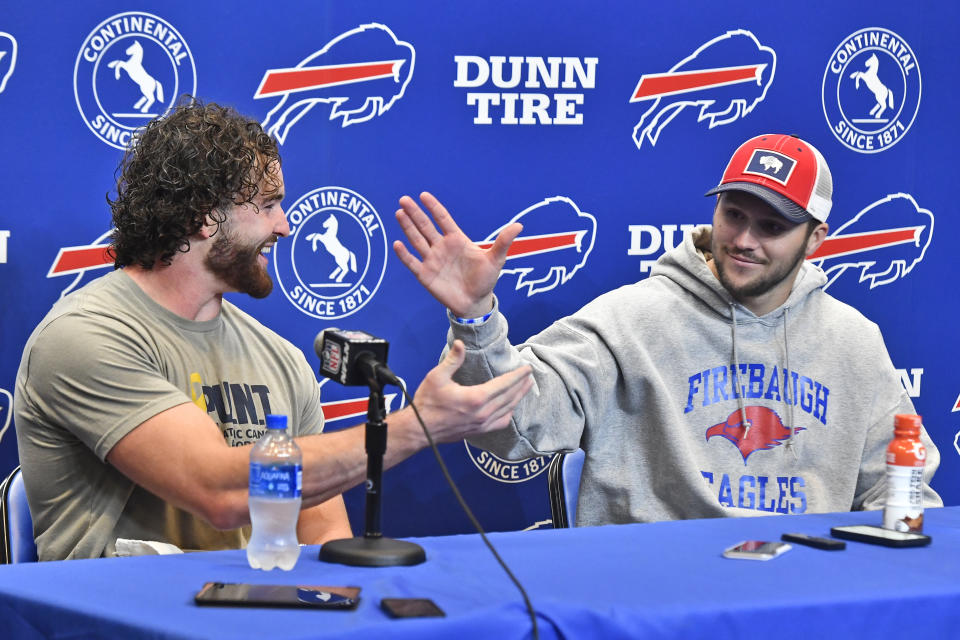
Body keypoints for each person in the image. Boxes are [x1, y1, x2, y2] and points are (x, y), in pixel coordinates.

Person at [13, 98, 533, 561]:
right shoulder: (85, 337)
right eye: (265, 205)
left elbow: (322, 537)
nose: (285, 224)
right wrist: (417, 426)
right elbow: (218, 491)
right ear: (202, 216)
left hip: (250, 614)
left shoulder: (280, 358)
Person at [393, 133, 942, 527]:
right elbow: (512, 429)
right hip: (652, 596)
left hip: (800, 596)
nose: (744, 239)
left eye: (772, 226)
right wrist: (477, 317)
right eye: (734, 214)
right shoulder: (632, 318)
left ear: (816, 238)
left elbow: (899, 490)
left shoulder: (855, 342)